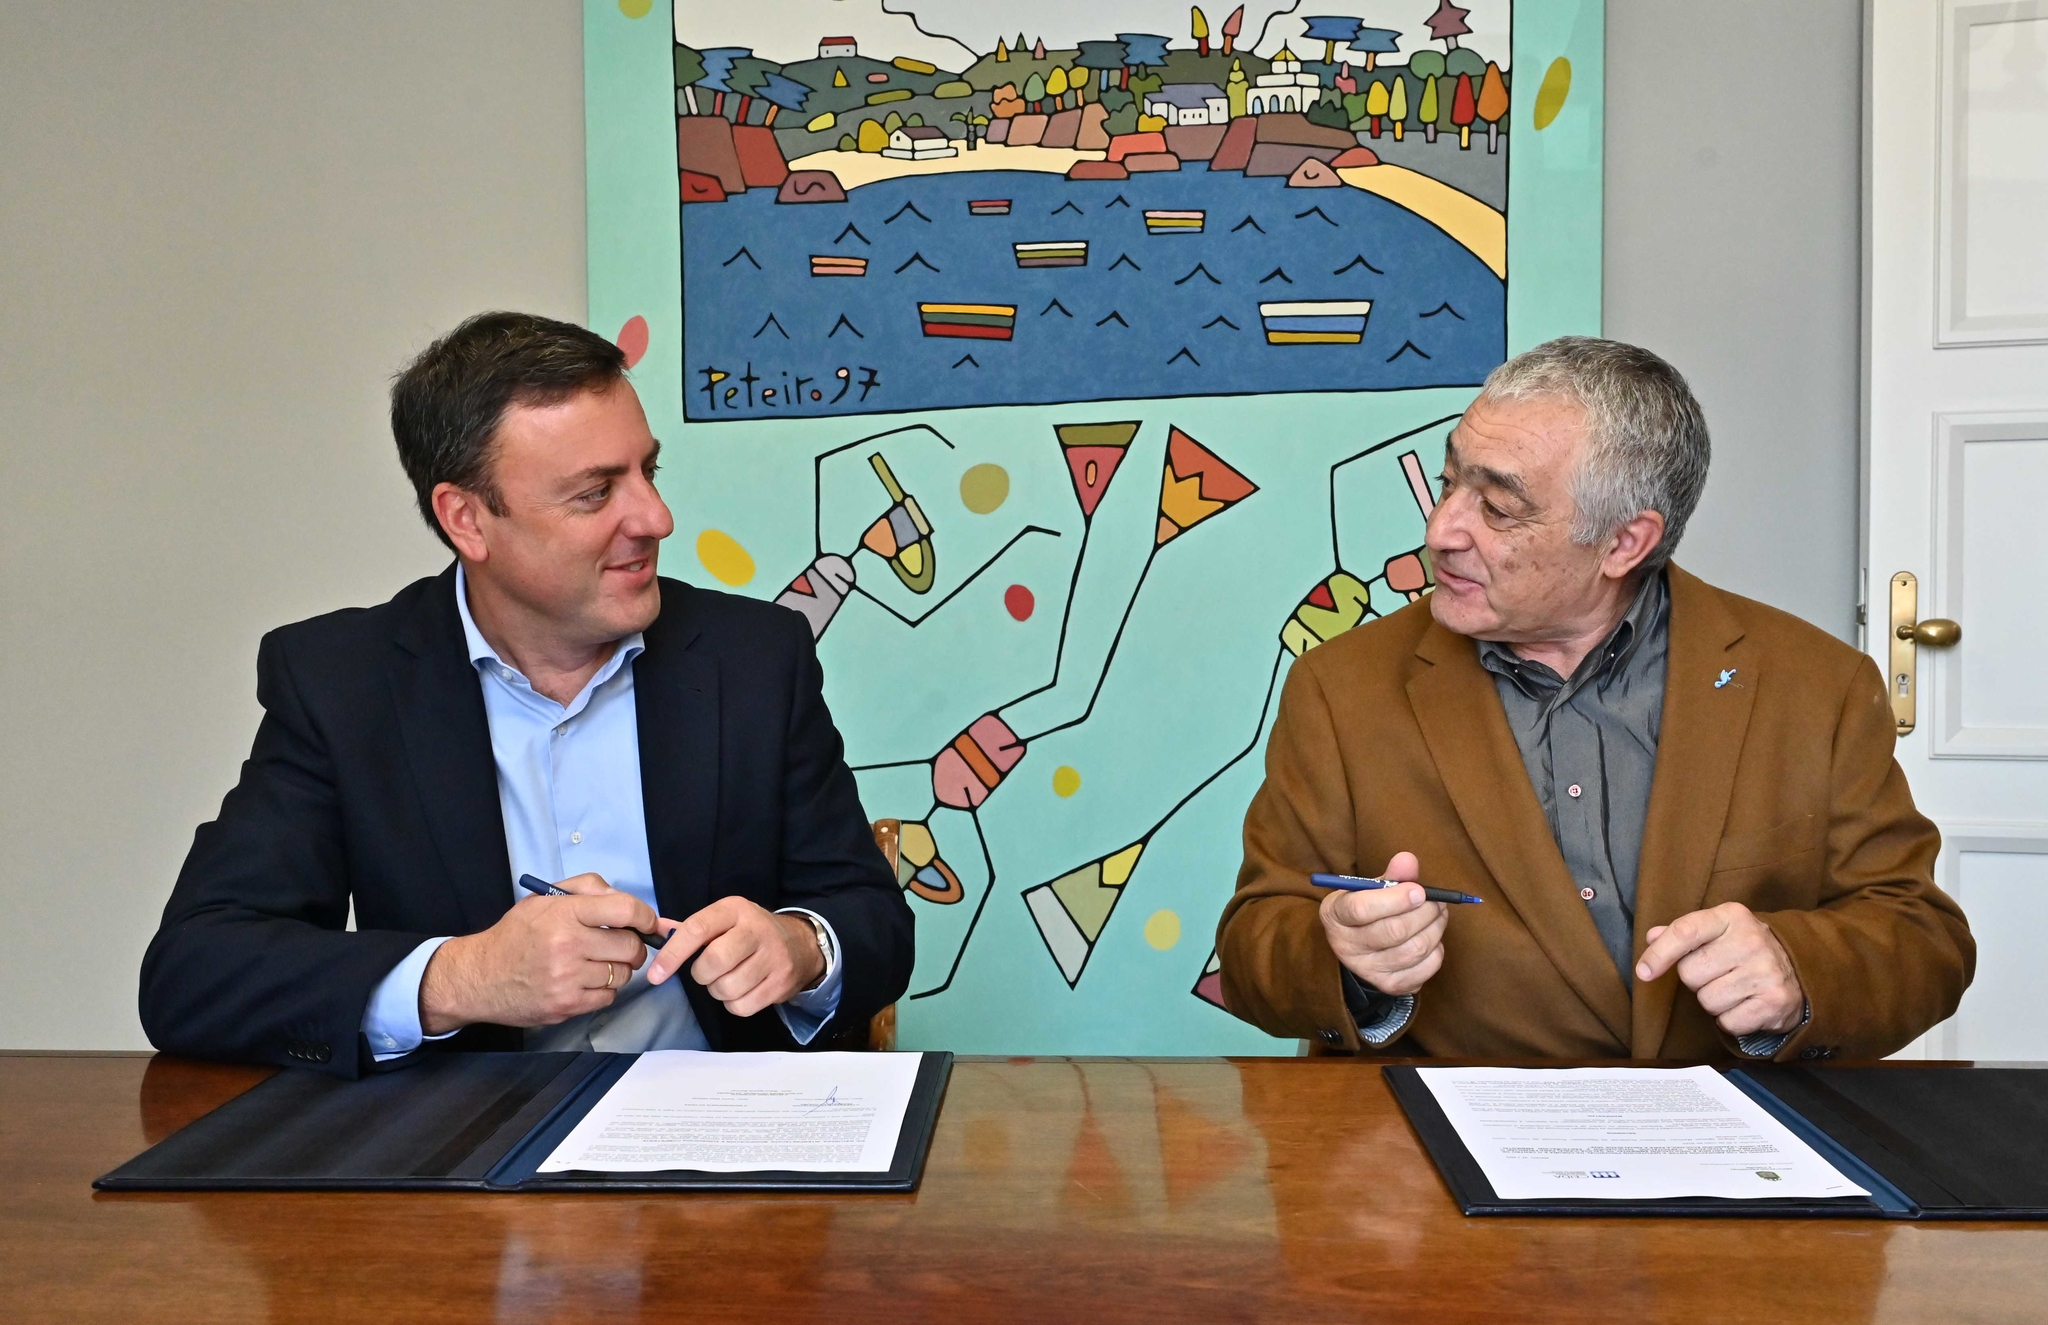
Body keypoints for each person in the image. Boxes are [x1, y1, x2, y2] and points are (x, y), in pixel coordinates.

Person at [141, 312, 913, 1077]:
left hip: (720, 1130)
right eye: (594, 493)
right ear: (467, 520)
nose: (656, 517)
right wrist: (464, 976)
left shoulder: (754, 658)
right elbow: (194, 971)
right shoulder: (342, 683)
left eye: (648, 471)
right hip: (468, 1141)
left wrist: (802, 947)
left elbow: (872, 917)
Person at [1218, 337, 1973, 1061]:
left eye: (1498, 508)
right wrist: (1347, 962)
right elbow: (1254, 945)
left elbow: (1924, 940)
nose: (1441, 530)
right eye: (1450, 483)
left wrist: (1796, 967)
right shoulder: (1341, 686)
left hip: (1728, 1129)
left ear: (1623, 544)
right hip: (1442, 1129)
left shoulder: (1816, 685)